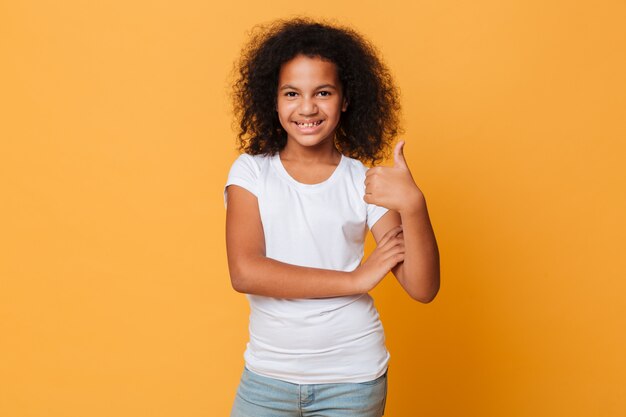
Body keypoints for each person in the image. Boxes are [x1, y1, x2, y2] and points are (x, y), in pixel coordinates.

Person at [224, 18, 440, 417]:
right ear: (272, 99)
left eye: (323, 92)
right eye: (292, 93)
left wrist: (414, 205)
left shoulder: (365, 181)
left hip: (352, 379)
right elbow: (246, 271)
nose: (307, 107)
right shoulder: (251, 172)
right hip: (268, 377)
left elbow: (422, 287)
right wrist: (354, 279)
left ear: (345, 99)